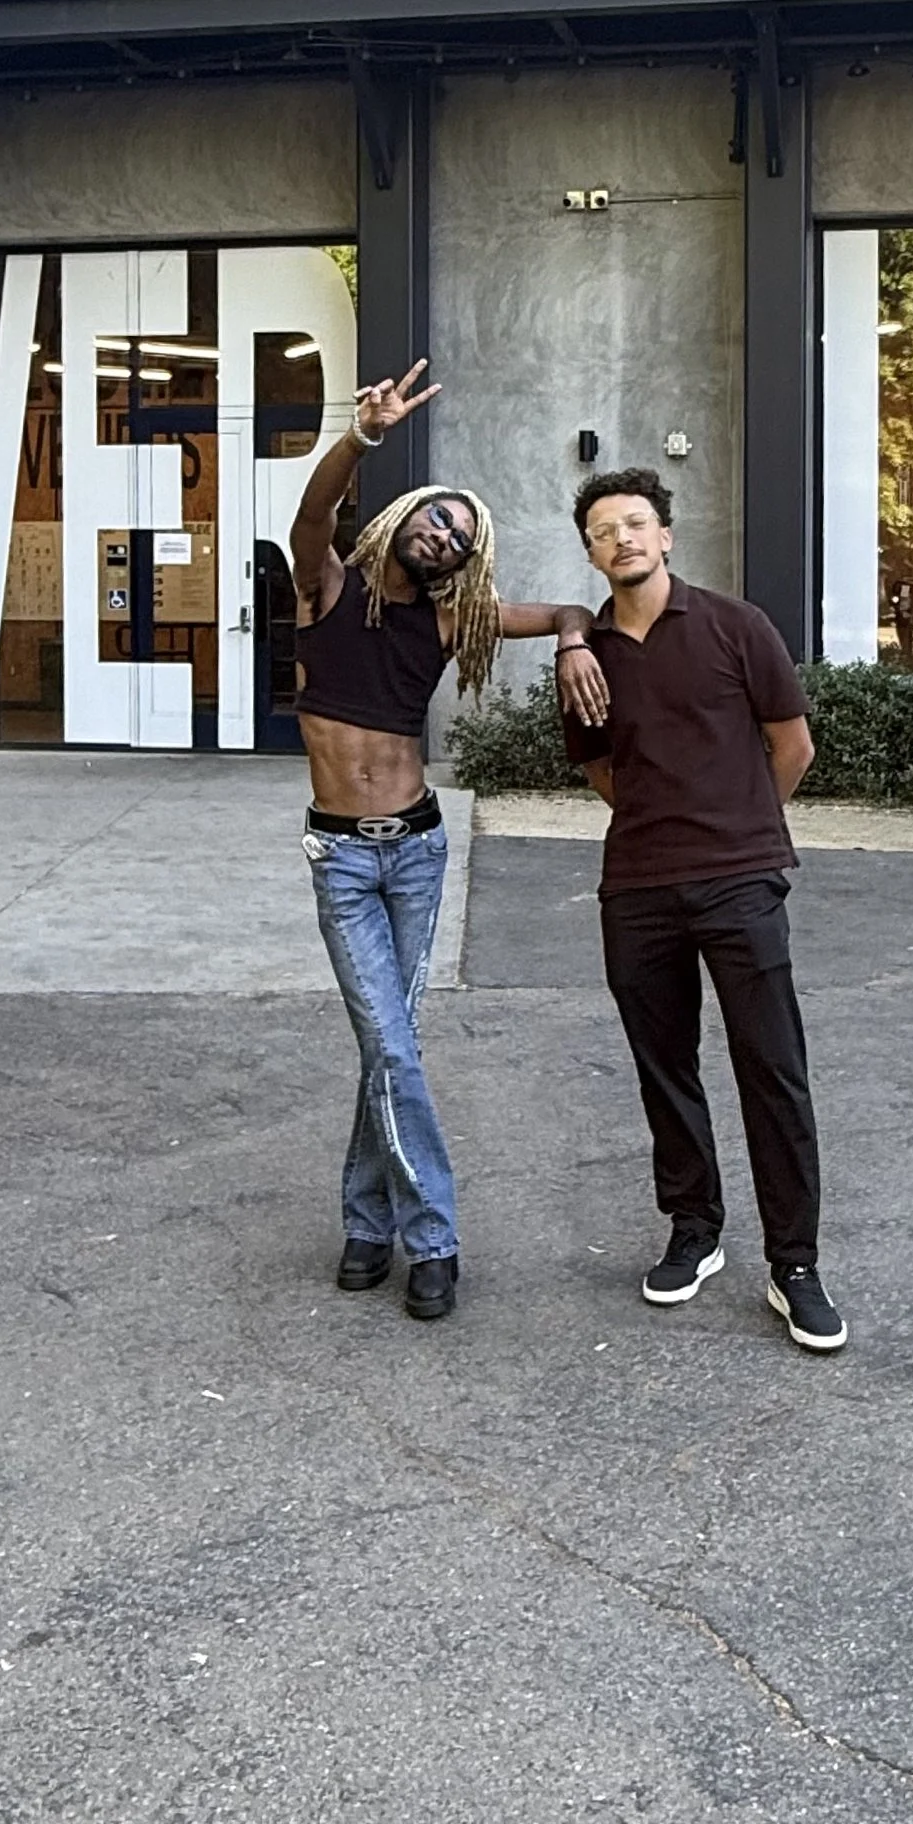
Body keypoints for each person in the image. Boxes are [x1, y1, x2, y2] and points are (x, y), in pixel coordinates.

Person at [290, 362, 603, 1323]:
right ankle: (432, 1235)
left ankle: (365, 1226)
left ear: (463, 561)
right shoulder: (324, 587)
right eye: (438, 518)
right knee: (390, 1044)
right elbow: (312, 512)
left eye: (462, 537)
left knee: (389, 1045)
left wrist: (574, 642)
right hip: (343, 860)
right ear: (403, 518)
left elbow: (568, 610)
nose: (445, 535)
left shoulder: (450, 621)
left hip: (419, 853)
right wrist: (363, 437)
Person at [562, 467, 846, 1354]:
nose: (622, 539)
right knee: (666, 1068)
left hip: (741, 881)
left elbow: (792, 745)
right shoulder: (587, 656)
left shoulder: (736, 625)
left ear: (666, 536)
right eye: (603, 531)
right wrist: (662, 820)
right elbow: (598, 768)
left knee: (773, 1069)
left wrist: (740, 824)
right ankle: (695, 1229)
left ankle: (794, 1265)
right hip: (638, 886)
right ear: (591, 553)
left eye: (635, 523)